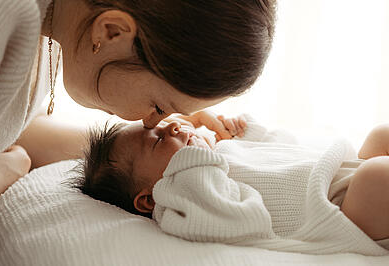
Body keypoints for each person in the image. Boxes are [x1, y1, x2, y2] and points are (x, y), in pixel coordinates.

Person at [0, 0, 277, 205]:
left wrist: (149, 156)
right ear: (112, 31)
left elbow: (8, 125)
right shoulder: (0, 18)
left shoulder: (53, 26)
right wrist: (2, 173)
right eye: (160, 107)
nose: (155, 121)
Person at [73, 111, 389, 255]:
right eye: (157, 141)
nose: (172, 129)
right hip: (341, 212)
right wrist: (195, 162)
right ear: (147, 199)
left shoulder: (214, 152)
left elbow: (283, 153)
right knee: (377, 177)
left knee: (380, 134)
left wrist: (249, 134)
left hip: (337, 172)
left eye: (167, 126)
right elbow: (242, 219)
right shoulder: (182, 203)